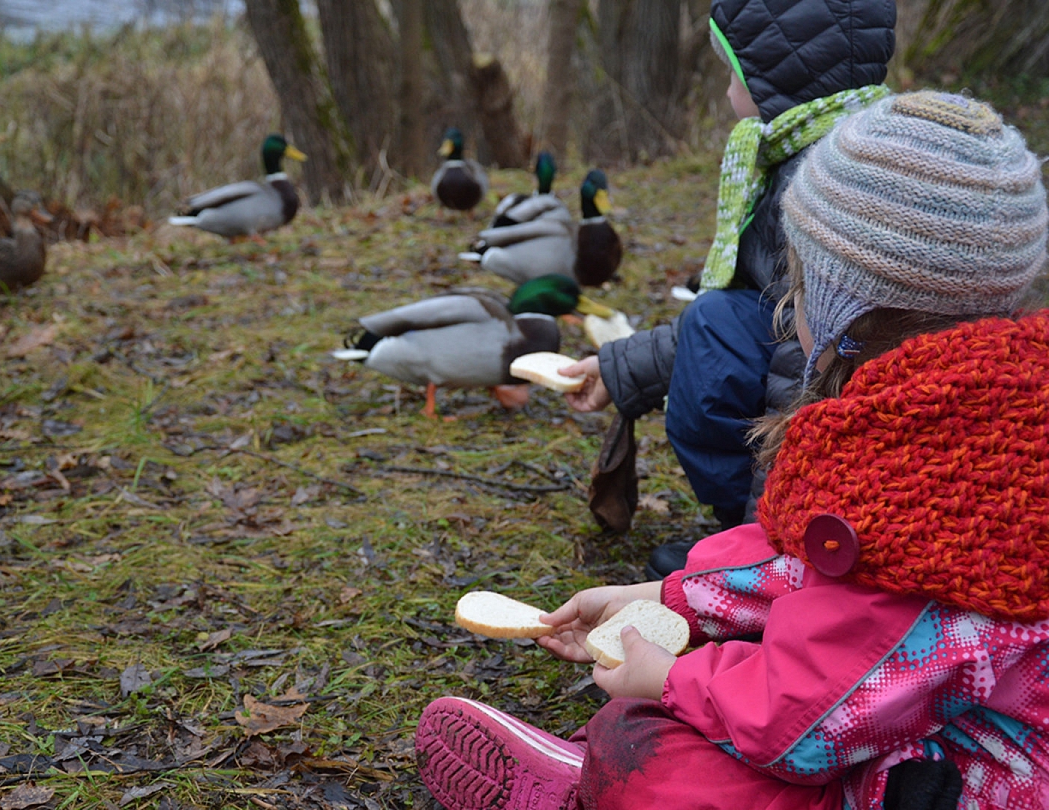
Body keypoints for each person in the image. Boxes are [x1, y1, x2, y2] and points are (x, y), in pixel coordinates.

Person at [416, 91, 1049, 810]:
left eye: (798, 287)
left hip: (970, 784)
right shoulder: (979, 430)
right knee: (728, 670)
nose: (786, 309)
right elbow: (818, 574)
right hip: (944, 723)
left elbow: (798, 727)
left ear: (842, 306)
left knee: (650, 745)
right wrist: (667, 599)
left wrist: (666, 680)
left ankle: (589, 783)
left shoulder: (926, 494)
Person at [562, 0, 895, 579]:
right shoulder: (831, 150)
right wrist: (621, 371)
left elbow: (801, 375)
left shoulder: (818, 190)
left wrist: (759, 558)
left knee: (714, 324)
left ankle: (766, 543)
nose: (725, 92)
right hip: (851, 413)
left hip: (849, 431)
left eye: (734, 73)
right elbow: (754, 313)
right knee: (717, 319)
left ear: (776, 77)